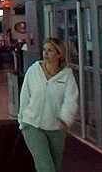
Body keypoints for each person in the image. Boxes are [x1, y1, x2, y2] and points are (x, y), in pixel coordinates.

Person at [18, 37, 79, 172]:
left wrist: (65, 118)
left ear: (59, 54)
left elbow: (71, 99)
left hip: (56, 127)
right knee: (45, 166)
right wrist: (22, 121)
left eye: (50, 50)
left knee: (54, 165)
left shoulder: (66, 75)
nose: (45, 53)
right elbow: (24, 97)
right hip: (32, 125)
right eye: (44, 50)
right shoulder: (33, 71)